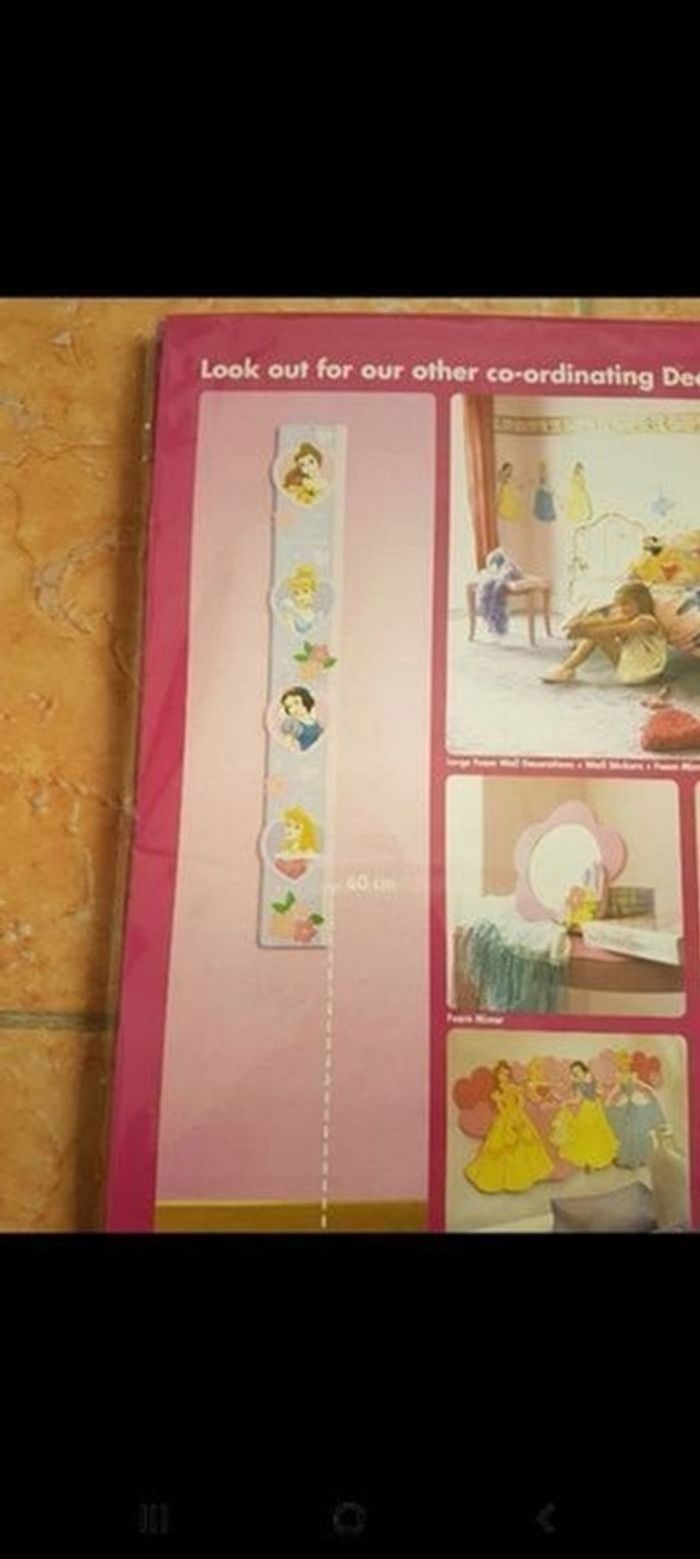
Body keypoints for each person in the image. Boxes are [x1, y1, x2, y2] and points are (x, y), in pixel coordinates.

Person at [543, 581, 668, 686]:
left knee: (598, 635)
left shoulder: (647, 621)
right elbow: (605, 621)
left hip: (643, 671)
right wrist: (581, 623)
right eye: (619, 605)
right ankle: (567, 668)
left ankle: (567, 668)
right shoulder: (629, 618)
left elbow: (616, 630)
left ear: (641, 602)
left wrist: (584, 633)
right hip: (631, 667)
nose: (622, 608)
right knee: (596, 632)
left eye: (626, 604)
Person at [464, 1061, 554, 1193]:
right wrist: (501, 1105)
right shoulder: (496, 1092)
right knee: (501, 1146)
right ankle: (503, 1178)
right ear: (497, 1075)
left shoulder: (513, 1087)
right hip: (505, 1118)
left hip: (518, 1115)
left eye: (506, 1074)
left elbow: (521, 1103)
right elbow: (501, 1109)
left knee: (525, 1143)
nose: (504, 1076)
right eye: (501, 1074)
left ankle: (522, 1176)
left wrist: (518, 1106)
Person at [551, 1062, 619, 1172]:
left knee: (600, 1133)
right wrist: (567, 1102)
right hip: (587, 1109)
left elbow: (600, 1093)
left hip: (596, 1109)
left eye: (578, 1071)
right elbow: (578, 1100)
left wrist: (596, 1090)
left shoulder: (591, 1079)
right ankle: (589, 1162)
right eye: (574, 1072)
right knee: (587, 1134)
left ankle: (602, 1159)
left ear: (584, 1070)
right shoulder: (577, 1084)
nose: (577, 1074)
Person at [279, 686, 324, 751]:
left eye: (296, 703)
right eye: (289, 707)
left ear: (305, 701)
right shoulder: (292, 724)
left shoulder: (315, 722)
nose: (294, 708)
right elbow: (288, 746)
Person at [281, 564, 321, 635]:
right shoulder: (291, 612)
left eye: (305, 591)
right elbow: (291, 630)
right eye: (296, 593)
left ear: (313, 592)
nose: (301, 597)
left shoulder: (313, 614)